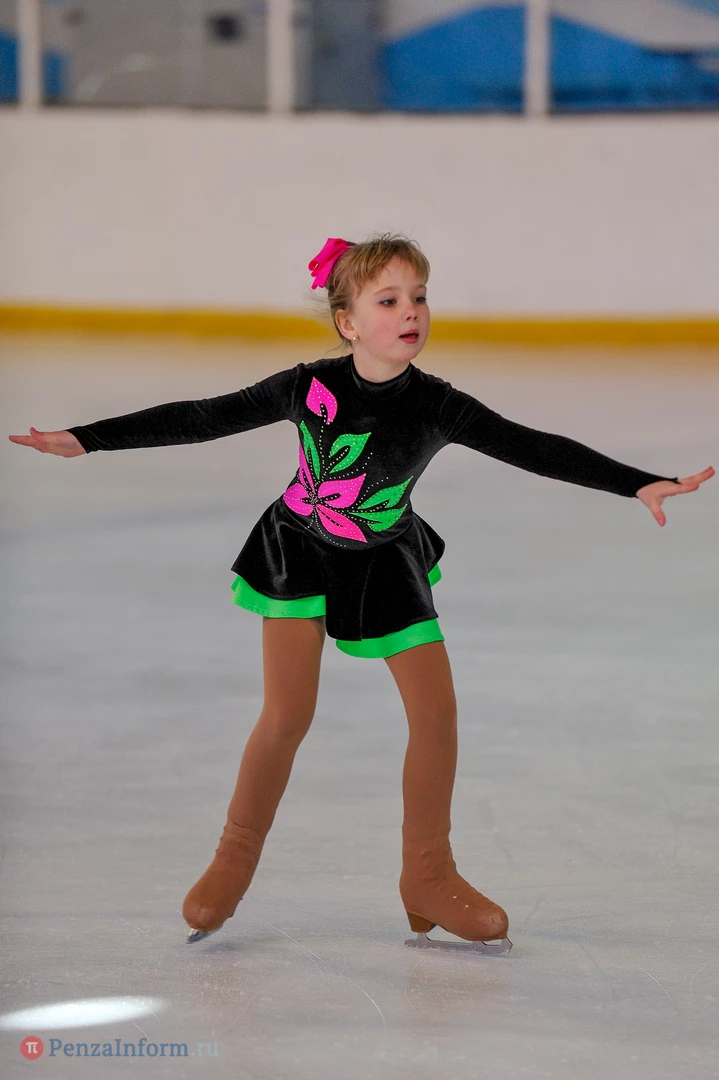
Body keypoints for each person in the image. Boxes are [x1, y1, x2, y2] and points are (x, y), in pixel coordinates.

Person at [9, 234, 714, 956]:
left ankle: (428, 877)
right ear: (347, 321)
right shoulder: (306, 387)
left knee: (435, 713)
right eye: (389, 300)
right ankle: (232, 860)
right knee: (287, 714)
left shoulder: (438, 405)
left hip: (384, 562)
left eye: (419, 297)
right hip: (297, 552)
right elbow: (202, 416)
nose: (410, 312)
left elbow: (533, 446)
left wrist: (635, 482)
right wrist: (87, 438)